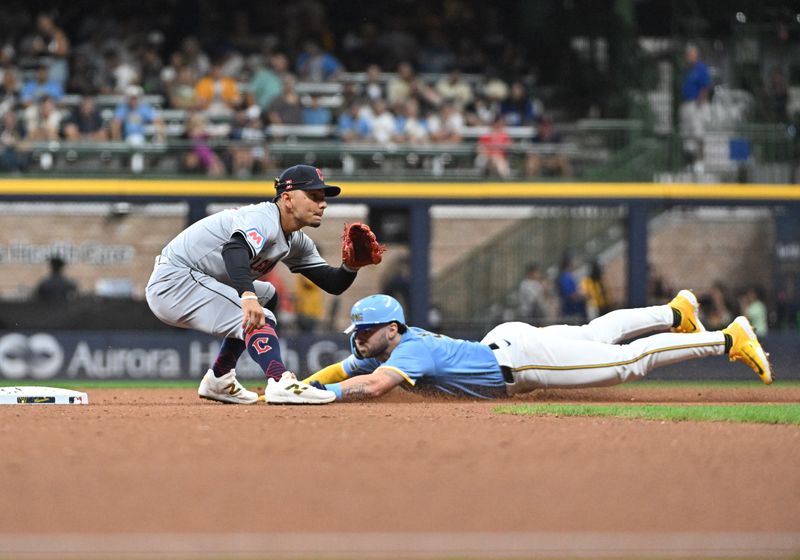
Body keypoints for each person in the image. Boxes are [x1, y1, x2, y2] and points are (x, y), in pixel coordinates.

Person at [145, 164, 377, 405]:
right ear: (287, 199)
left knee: (267, 295)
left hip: (197, 280)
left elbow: (333, 283)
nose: (323, 204)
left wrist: (352, 267)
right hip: (175, 281)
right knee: (259, 312)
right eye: (313, 196)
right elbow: (234, 250)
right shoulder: (263, 218)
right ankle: (280, 381)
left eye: (323, 198)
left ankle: (220, 378)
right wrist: (247, 297)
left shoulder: (296, 240)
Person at [302, 291, 772, 402]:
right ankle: (674, 313)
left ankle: (728, 337)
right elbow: (342, 370)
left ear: (393, 327)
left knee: (627, 361)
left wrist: (326, 397)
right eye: (357, 333)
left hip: (523, 363)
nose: (358, 339)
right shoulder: (387, 346)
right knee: (593, 333)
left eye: (366, 330)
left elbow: (375, 386)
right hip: (504, 341)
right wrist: (296, 387)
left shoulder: (407, 353)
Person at [679, 43, 711, 165]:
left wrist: (700, 102)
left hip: (697, 105)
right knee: (687, 136)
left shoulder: (701, 68)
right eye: (687, 55)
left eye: (690, 55)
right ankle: (690, 162)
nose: (688, 57)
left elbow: (705, 87)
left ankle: (700, 162)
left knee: (698, 135)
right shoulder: (687, 69)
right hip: (687, 104)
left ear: (695, 55)